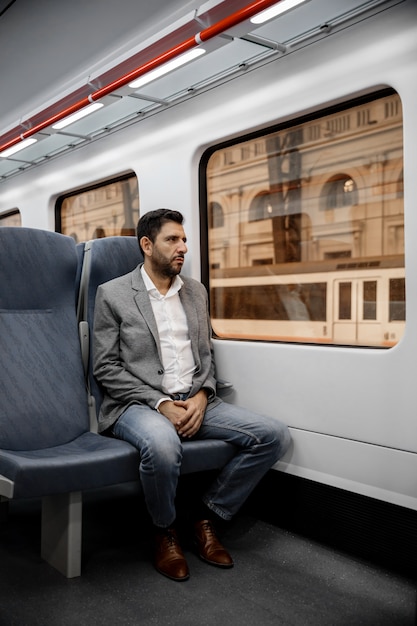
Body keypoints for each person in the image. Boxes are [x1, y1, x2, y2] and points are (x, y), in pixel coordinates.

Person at [93, 208, 291, 582]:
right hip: (137, 403)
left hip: (196, 396)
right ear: (147, 245)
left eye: (184, 240)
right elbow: (105, 368)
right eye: (173, 240)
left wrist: (202, 396)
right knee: (163, 445)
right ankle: (164, 529)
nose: (183, 247)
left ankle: (207, 517)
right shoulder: (113, 294)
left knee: (273, 436)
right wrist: (161, 404)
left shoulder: (196, 292)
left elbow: (206, 357)